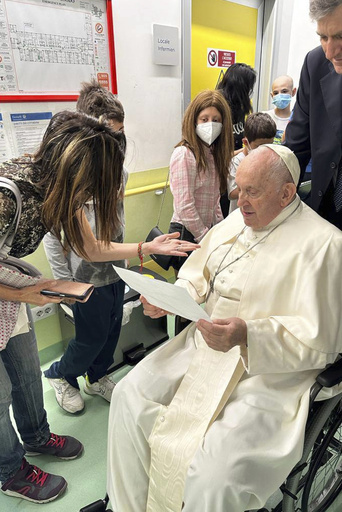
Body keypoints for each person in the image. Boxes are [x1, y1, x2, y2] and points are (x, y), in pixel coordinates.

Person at [106, 144, 342, 512]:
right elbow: (196, 273)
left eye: (252, 191)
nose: (240, 199)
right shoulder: (236, 220)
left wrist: (248, 334)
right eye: (238, 188)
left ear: (286, 193)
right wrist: (170, 297)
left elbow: (321, 341)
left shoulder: (326, 244)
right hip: (202, 346)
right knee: (128, 397)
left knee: (215, 472)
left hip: (267, 372)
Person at [0, 111, 198, 505]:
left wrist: (147, 248)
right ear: (74, 169)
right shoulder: (9, 196)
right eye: (92, 184)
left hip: (10, 297)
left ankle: (37, 437)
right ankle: (10, 471)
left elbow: (91, 248)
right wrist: (28, 293)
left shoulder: (59, 191)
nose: (93, 195)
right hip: (12, 292)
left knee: (25, 375)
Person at [43, 81, 129, 414]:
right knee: (89, 338)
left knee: (110, 332)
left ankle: (97, 377)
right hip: (83, 275)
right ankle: (59, 375)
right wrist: (64, 283)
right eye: (110, 134)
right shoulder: (69, 174)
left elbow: (116, 222)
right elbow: (53, 236)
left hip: (114, 269)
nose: (116, 142)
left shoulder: (118, 169)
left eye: (120, 134)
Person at [168, 89, 234, 335]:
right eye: (204, 119)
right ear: (193, 120)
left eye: (216, 120)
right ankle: (181, 347)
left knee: (207, 297)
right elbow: (185, 206)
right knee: (188, 301)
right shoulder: (184, 154)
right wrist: (207, 238)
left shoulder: (214, 154)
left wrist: (223, 232)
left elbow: (216, 200)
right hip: (187, 235)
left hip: (205, 235)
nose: (210, 124)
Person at [284, 0, 342, 229]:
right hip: (324, 208)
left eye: (340, 37)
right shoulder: (315, 63)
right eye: (323, 37)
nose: (330, 52)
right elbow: (296, 146)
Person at [216, 62, 257, 217]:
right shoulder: (219, 108)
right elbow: (216, 154)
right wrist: (247, 150)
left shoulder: (239, 107)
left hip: (235, 170)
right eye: (248, 86)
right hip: (219, 175)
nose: (250, 91)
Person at [228, 112, 276, 213]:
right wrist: (257, 186)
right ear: (246, 143)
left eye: (269, 145)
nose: (264, 150)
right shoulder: (237, 162)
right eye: (259, 146)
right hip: (240, 215)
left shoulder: (270, 159)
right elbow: (232, 193)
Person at [262, 75, 297, 144]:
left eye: (284, 91)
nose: (280, 95)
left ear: (293, 92)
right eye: (276, 93)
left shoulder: (296, 120)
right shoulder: (264, 117)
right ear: (272, 96)